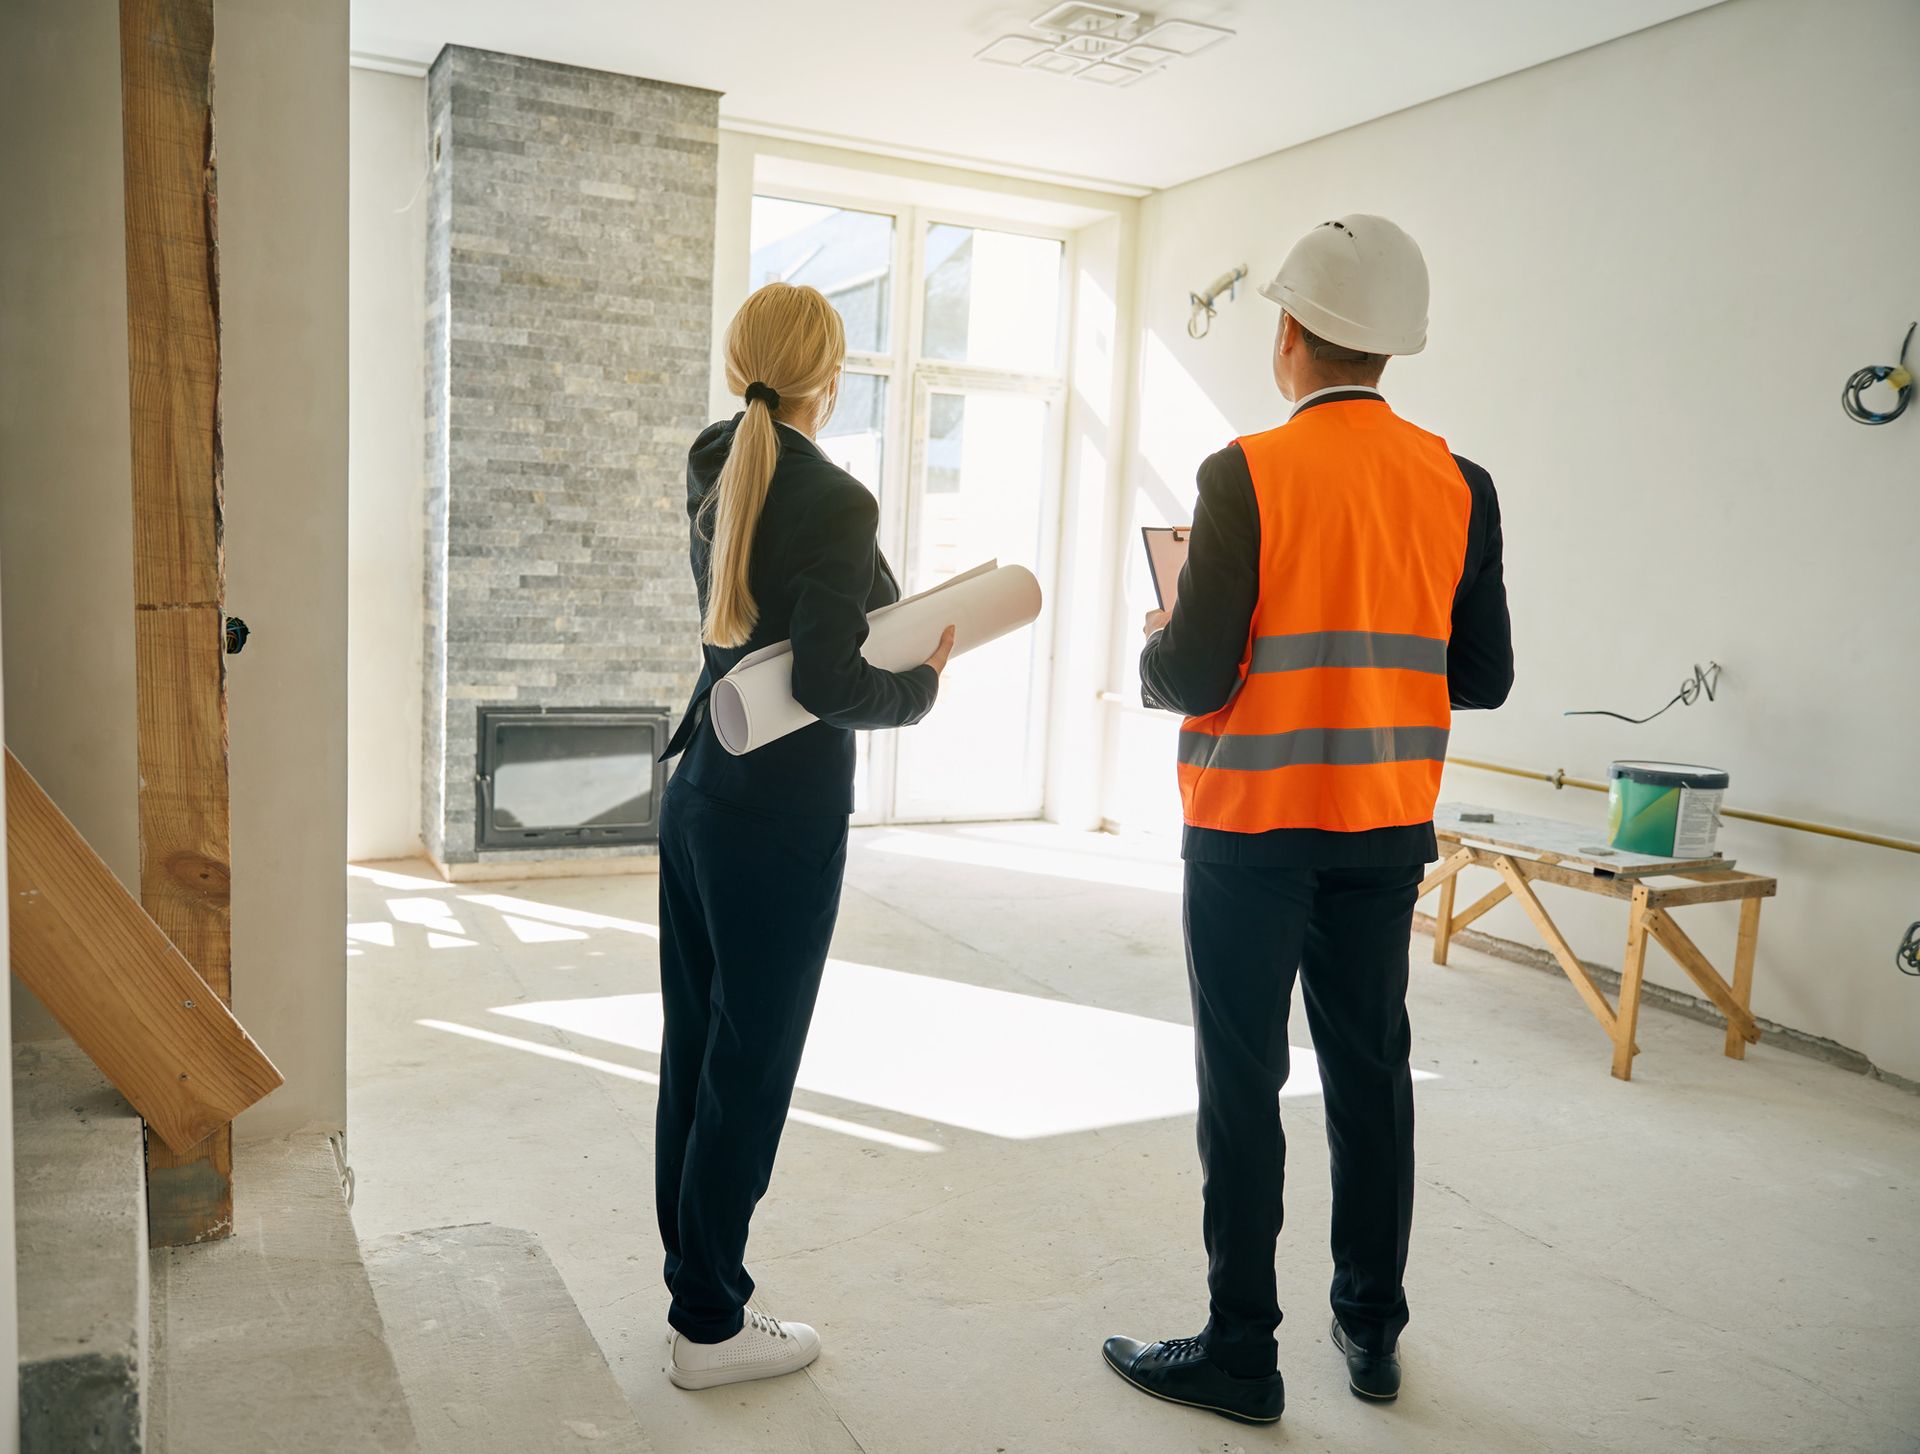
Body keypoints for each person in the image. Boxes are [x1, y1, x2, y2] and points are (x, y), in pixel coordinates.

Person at [1103, 215, 1513, 1425]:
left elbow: (1198, 670)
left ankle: (1242, 1350)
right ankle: (1372, 1331)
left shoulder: (1244, 474)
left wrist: (1152, 647)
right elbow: (1480, 672)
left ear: (1288, 335)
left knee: (1244, 1080)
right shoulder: (1459, 483)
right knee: (1370, 1071)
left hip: (1252, 827)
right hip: (1384, 823)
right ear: (1391, 350)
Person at [653, 282, 955, 1390]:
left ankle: (695, 1284)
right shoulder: (835, 496)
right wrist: (919, 685)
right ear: (834, 376)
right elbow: (833, 678)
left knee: (699, 1045)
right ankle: (710, 1323)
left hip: (697, 789)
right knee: (753, 1059)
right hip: (775, 820)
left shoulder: (710, 456)